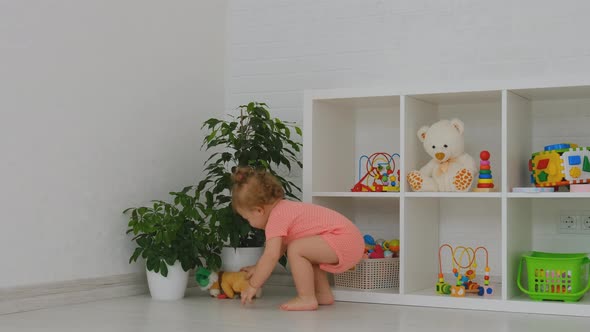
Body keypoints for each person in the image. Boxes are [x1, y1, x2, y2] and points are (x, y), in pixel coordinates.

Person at [231, 167, 364, 311]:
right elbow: (278, 249)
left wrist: (253, 284)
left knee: (296, 249)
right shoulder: (283, 209)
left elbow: (271, 255)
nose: (249, 223)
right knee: (307, 253)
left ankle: (306, 298)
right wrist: (257, 268)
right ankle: (322, 294)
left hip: (343, 239)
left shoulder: (276, 218)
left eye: (247, 218)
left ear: (259, 210)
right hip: (350, 240)